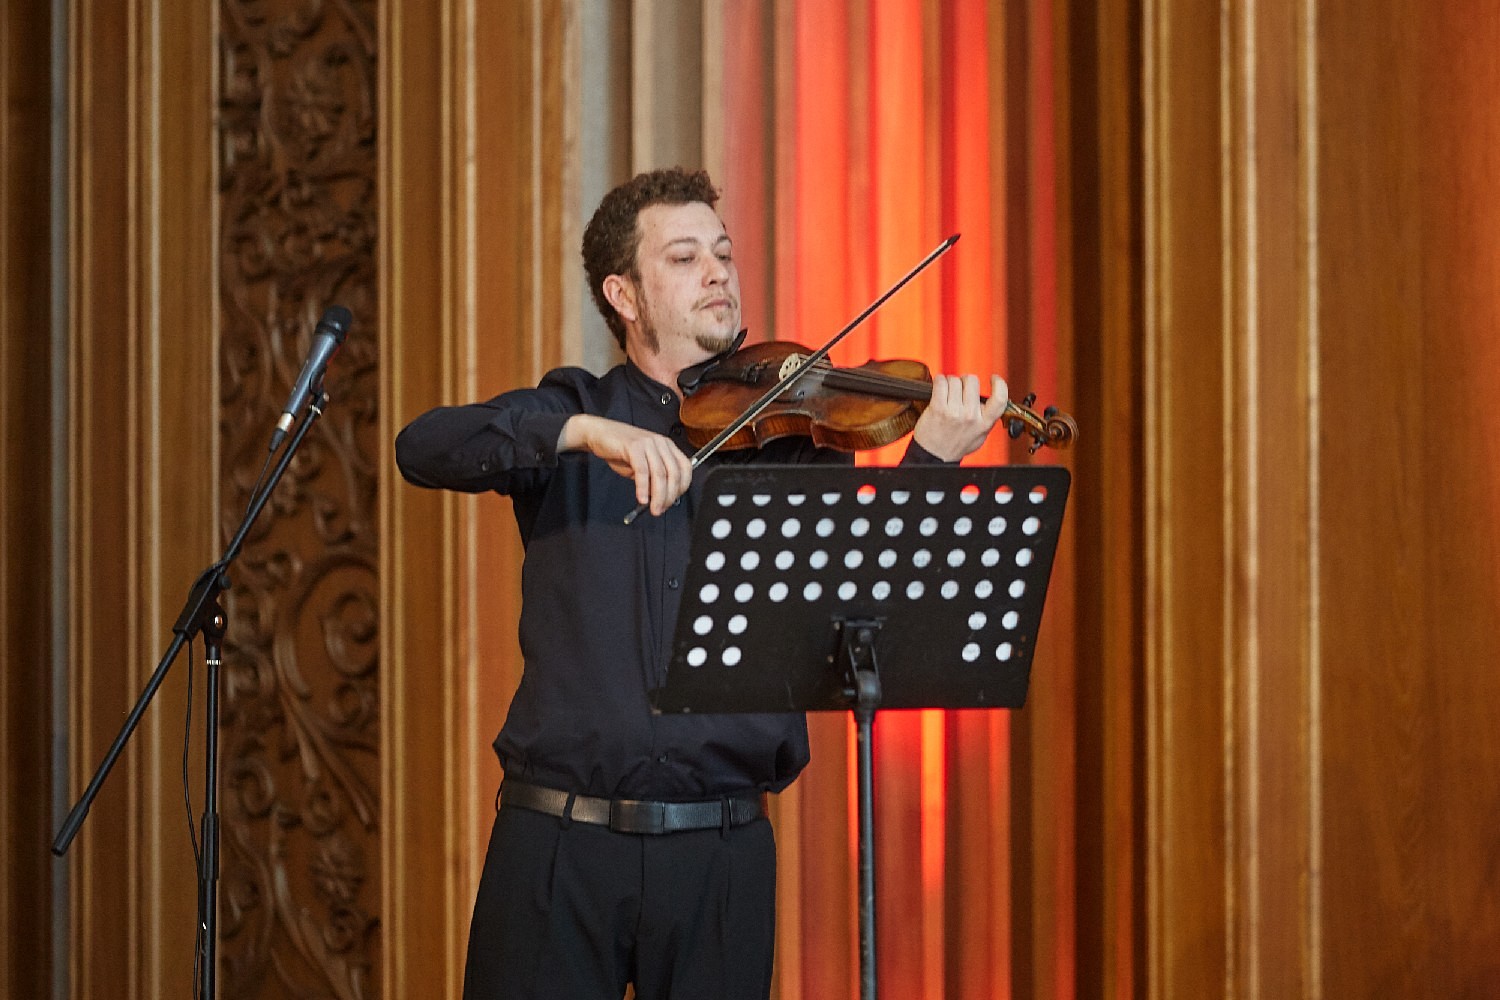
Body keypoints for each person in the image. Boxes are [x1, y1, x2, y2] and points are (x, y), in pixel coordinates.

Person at [394, 167, 1010, 1000]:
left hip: (721, 856)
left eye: (722, 252)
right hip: (556, 847)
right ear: (623, 295)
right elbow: (424, 446)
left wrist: (931, 458)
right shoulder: (573, 411)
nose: (718, 272)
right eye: (684, 258)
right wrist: (583, 433)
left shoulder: (794, 438)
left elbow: (873, 604)